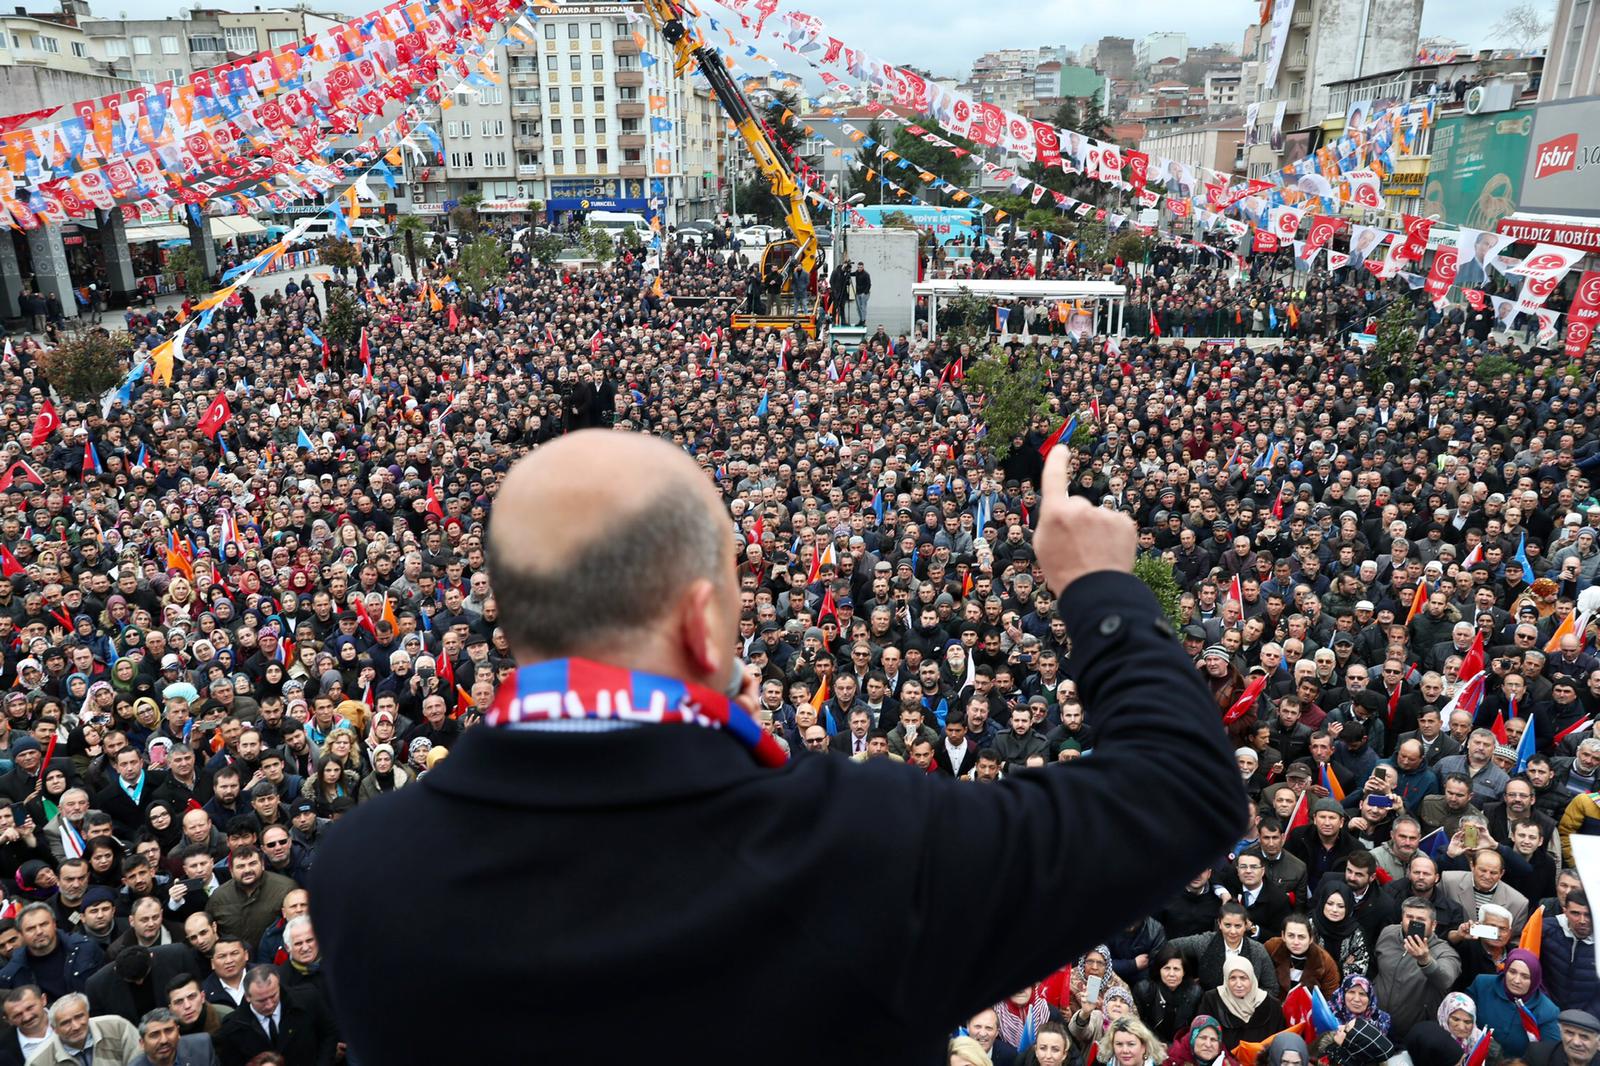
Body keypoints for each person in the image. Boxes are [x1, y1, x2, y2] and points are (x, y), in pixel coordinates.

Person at [310, 433, 1247, 1064]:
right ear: (705, 623)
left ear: (509, 617)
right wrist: (1099, 588)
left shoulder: (360, 874)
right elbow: (1184, 786)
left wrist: (732, 739)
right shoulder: (871, 844)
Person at [210, 967, 334, 1066]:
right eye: (262, 1000)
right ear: (247, 997)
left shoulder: (307, 1000)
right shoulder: (233, 1028)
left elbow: (329, 1034)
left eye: (273, 996)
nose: (269, 1005)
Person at [1465, 947, 1560, 1056]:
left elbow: (1548, 1053)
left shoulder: (1548, 1011)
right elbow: (1460, 1017)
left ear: (1534, 980)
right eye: (1512, 972)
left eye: (1525, 976)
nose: (1516, 980)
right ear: (1505, 970)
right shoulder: (1482, 985)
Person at [25, 992, 141, 1065]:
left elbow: (142, 1060)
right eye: (65, 1023)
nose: (76, 1026)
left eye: (79, 1017)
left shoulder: (117, 1026)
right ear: (54, 1029)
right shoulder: (38, 1061)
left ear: (88, 1014)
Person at [1195, 958, 1282, 1048]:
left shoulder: (1272, 1005)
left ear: (1252, 978)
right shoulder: (1212, 1000)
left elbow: (1279, 1043)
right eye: (1232, 978)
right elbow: (1201, 1035)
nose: (1238, 984)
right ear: (1226, 979)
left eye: (1243, 978)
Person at [129, 1008, 220, 1066]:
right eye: (155, 1035)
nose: (164, 1040)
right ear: (142, 1043)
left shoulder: (202, 1046)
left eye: (169, 1031)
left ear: (178, 1032)